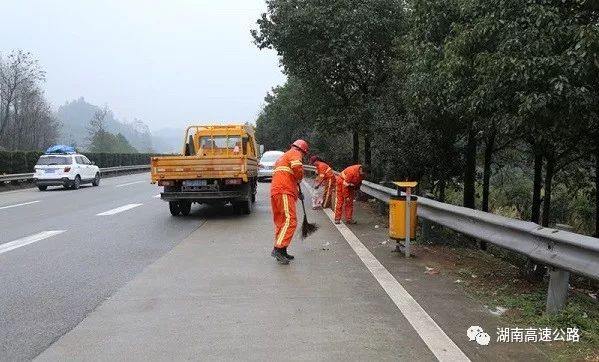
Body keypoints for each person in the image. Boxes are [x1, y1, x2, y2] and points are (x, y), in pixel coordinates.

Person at [270, 139, 309, 264]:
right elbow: (297, 168)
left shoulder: (282, 158)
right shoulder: (295, 153)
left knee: (282, 222)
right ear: (302, 150)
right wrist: (300, 178)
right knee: (290, 221)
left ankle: (282, 251)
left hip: (277, 191)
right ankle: (278, 248)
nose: (302, 157)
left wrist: (297, 191)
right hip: (284, 191)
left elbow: (286, 175)